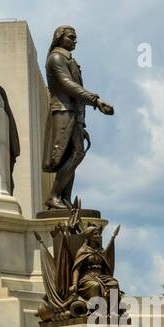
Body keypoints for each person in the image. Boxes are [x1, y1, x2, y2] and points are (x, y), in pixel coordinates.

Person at [41, 25, 113, 209]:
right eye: (71, 37)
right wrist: (95, 101)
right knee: (76, 154)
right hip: (63, 112)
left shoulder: (69, 60)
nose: (74, 41)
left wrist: (81, 122)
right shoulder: (56, 58)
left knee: (71, 156)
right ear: (59, 38)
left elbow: (74, 91)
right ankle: (54, 196)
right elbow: (68, 85)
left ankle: (64, 198)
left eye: (75, 38)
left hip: (73, 114)